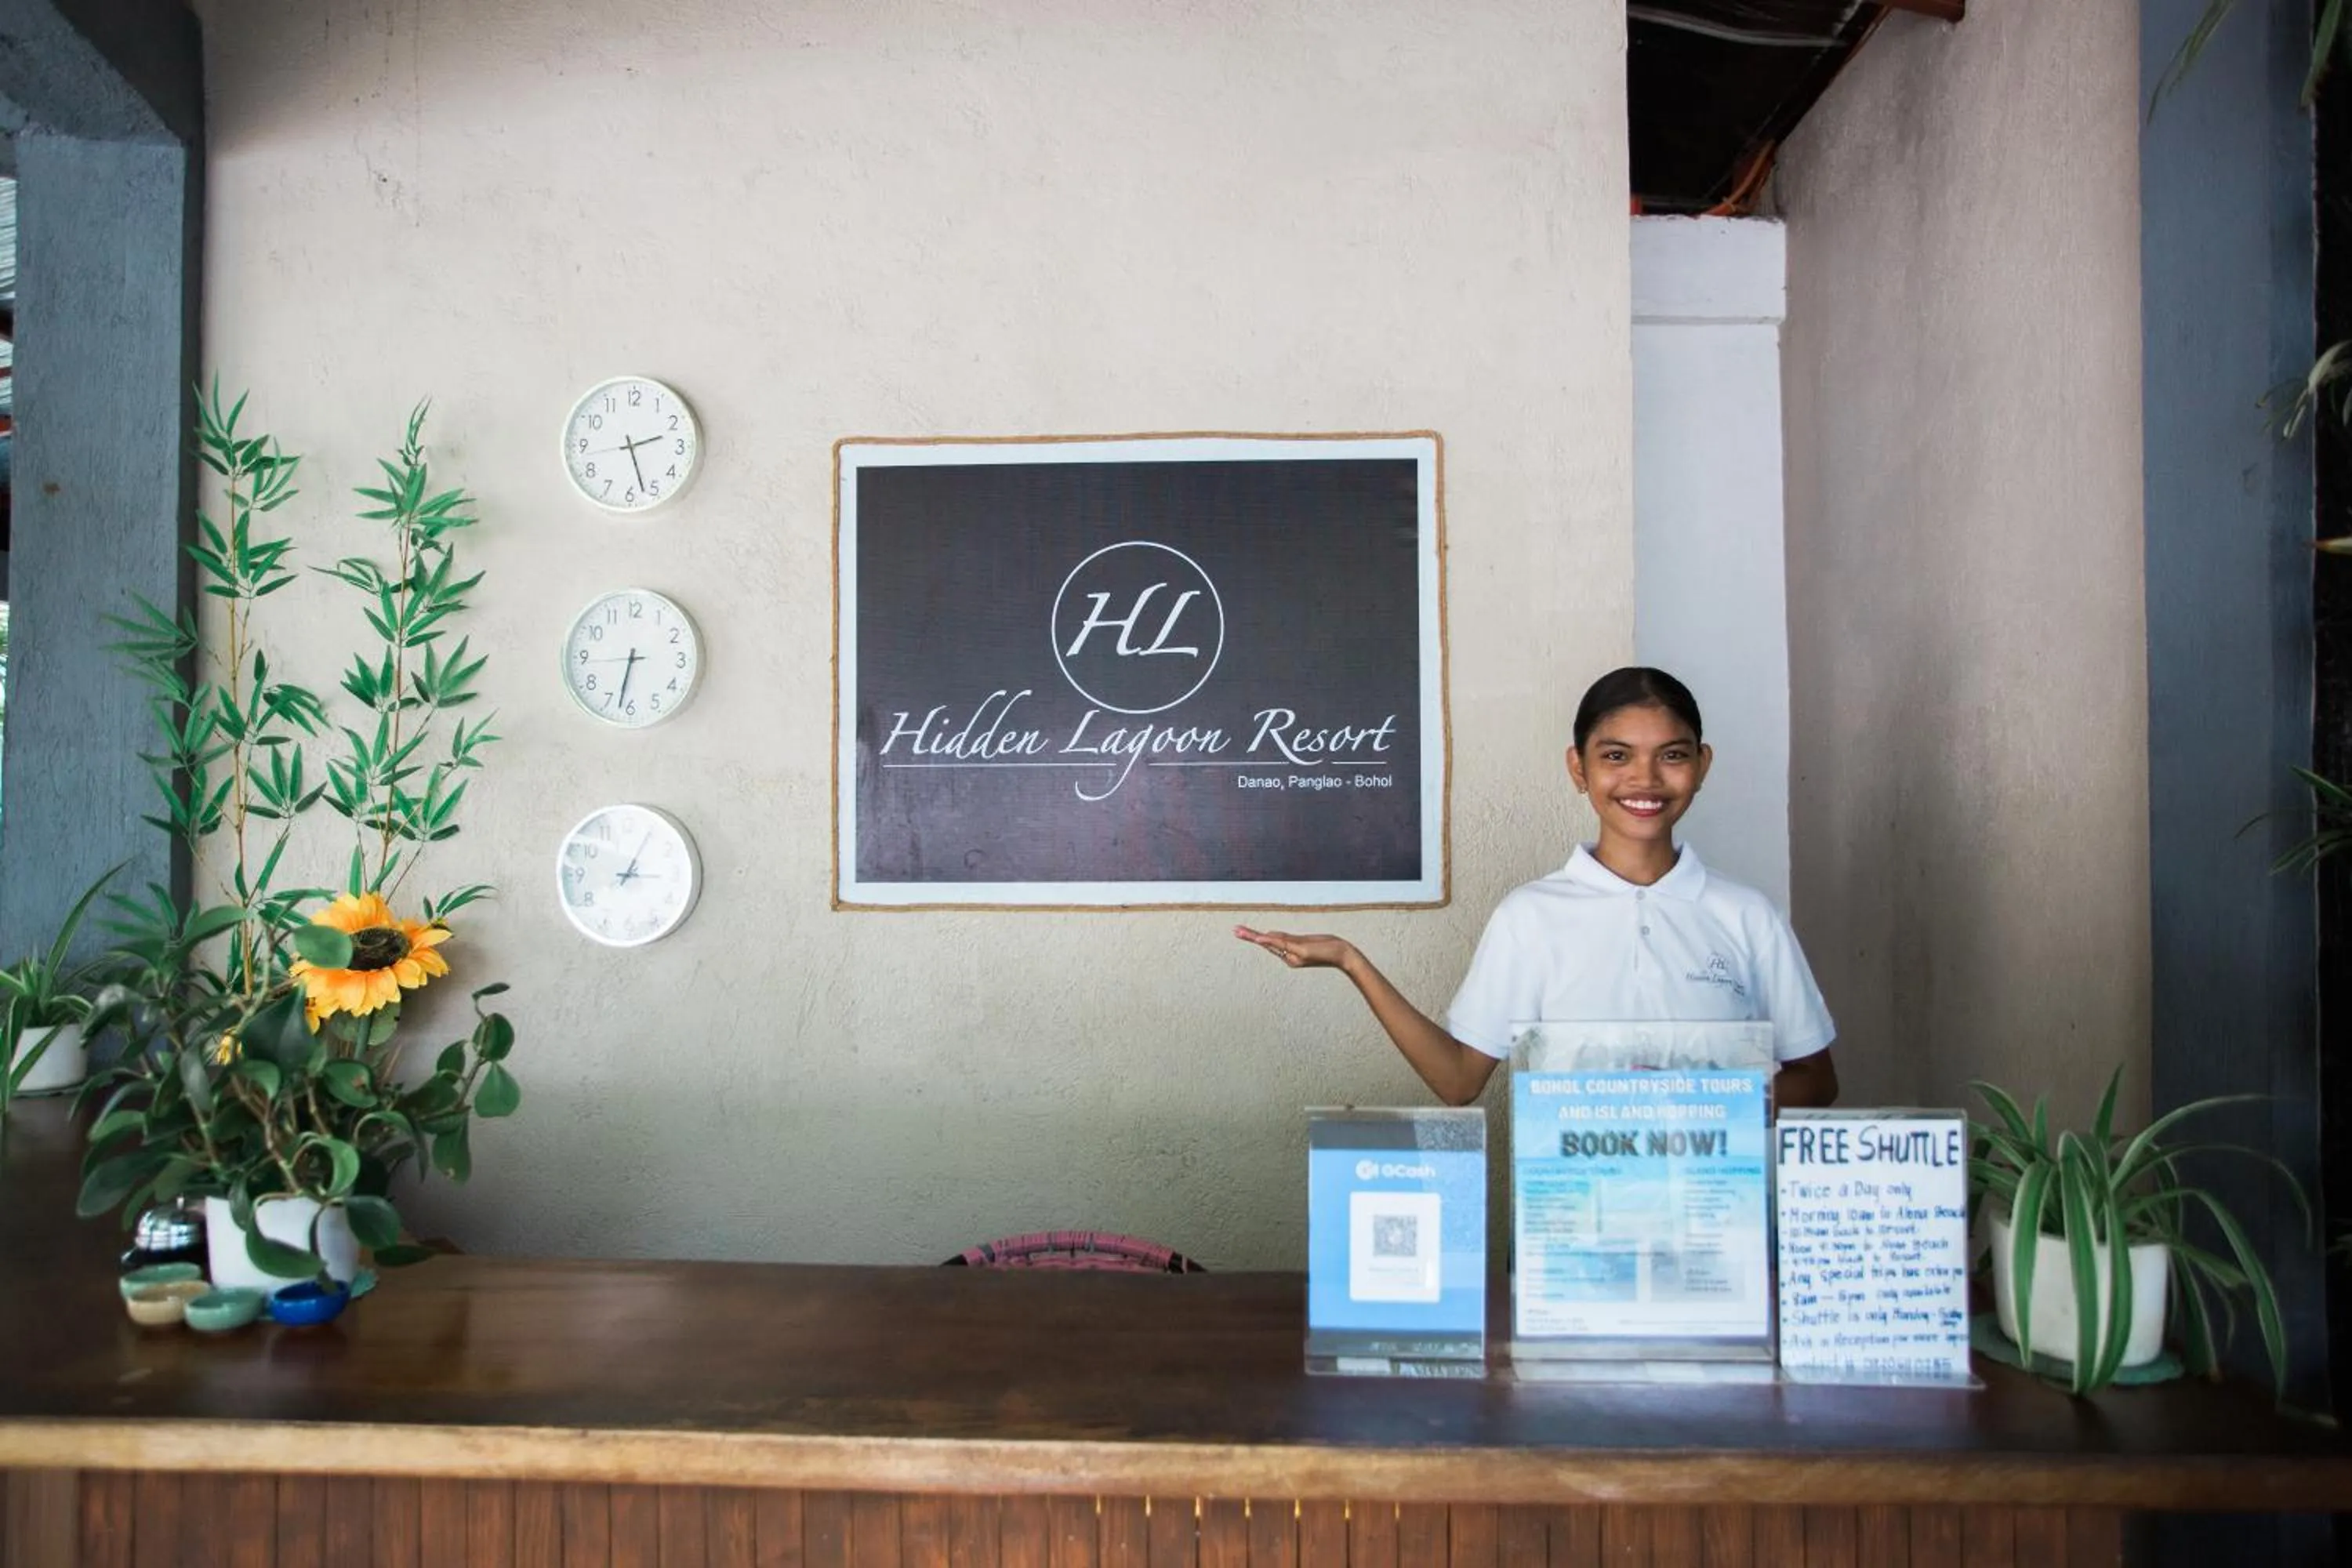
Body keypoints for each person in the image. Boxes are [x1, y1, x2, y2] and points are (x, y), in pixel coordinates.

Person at [1236, 666, 1838, 1109]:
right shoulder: (1531, 916)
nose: (1645, 779)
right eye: (1617, 756)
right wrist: (1351, 960)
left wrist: (1689, 1101)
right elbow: (1458, 1080)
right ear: (1579, 768)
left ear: (1702, 765)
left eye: (1672, 755)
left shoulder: (1746, 915)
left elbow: (1817, 1080)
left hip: (1720, 1224)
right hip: (1571, 1225)